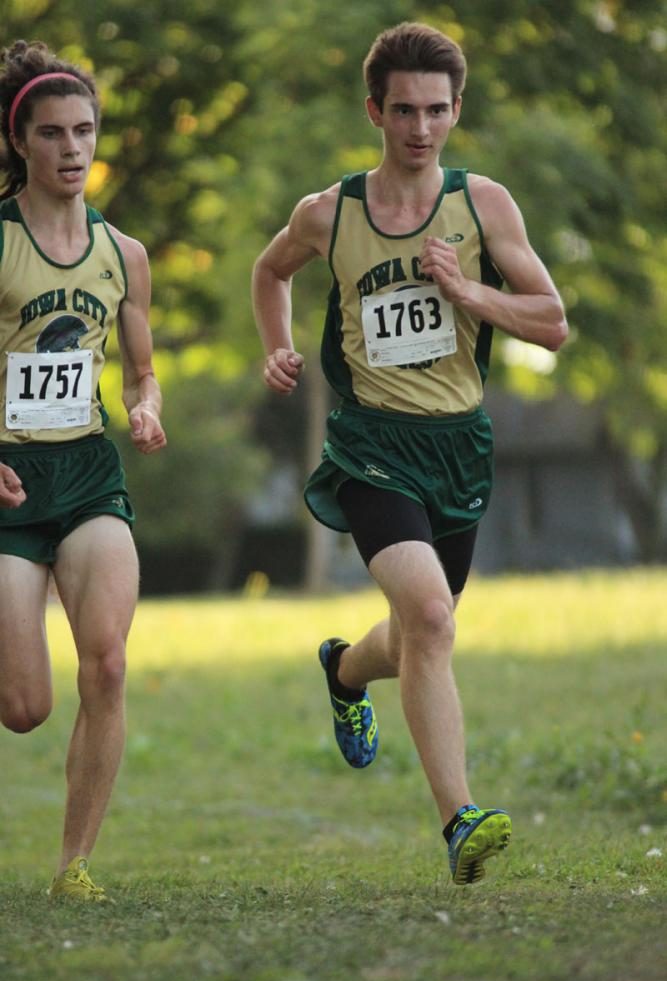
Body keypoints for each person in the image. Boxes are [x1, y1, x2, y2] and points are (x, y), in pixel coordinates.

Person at [252, 22, 568, 885]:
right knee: (429, 619)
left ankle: (344, 673)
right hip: (369, 446)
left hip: (458, 445)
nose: (419, 128)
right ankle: (458, 818)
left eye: (435, 110)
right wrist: (275, 345)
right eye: (403, 111)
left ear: (455, 110)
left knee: (419, 630)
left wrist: (466, 289)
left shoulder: (484, 206)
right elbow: (269, 271)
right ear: (374, 111)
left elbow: (553, 320)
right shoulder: (331, 213)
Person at [0, 41, 167, 901]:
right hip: (6, 487)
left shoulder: (122, 254)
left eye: (85, 132)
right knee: (24, 708)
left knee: (105, 663)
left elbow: (140, 367)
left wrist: (146, 406)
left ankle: (74, 867)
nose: (72, 149)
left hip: (88, 476)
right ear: (19, 140)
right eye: (53, 133)